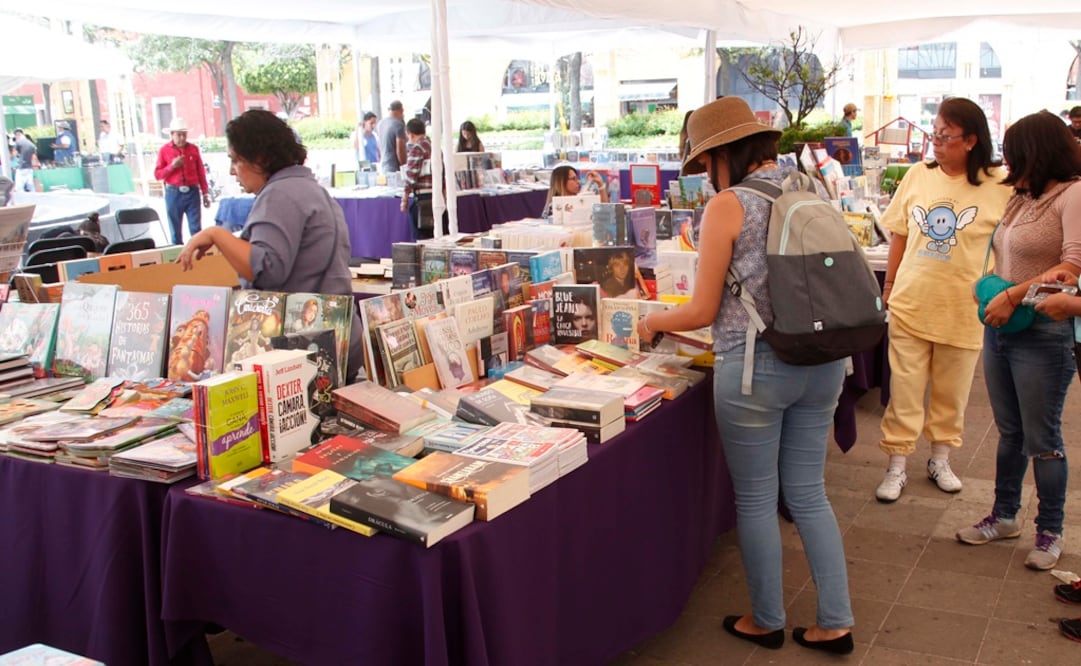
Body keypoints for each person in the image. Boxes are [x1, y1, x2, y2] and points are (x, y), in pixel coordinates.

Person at [636, 97, 853, 654]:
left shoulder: (730, 206)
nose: (705, 175)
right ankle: (835, 621)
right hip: (825, 358)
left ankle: (767, 619)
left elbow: (702, 311)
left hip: (757, 369)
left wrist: (652, 321)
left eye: (706, 163)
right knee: (808, 494)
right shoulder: (810, 187)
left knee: (756, 500)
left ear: (722, 154)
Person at [954, 110, 1081, 571]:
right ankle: (1004, 515)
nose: (1008, 163)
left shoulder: (1073, 195)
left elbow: (1070, 271)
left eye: (1014, 153)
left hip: (1043, 333)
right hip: (1002, 328)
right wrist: (989, 285)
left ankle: (1050, 529)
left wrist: (1011, 294)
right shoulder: (1023, 196)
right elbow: (1006, 254)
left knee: (1042, 436)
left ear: (1037, 152)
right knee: (1009, 432)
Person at [873, 97, 1012, 503]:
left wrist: (999, 292)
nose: (935, 142)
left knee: (953, 391)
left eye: (945, 136)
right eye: (933, 133)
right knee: (905, 388)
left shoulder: (998, 184)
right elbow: (899, 232)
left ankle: (940, 458)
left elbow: (1008, 245)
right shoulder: (919, 174)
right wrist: (890, 286)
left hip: (963, 307)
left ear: (970, 140)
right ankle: (896, 464)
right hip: (913, 299)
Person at [176, 109, 365, 382]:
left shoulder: (279, 194)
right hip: (339, 340)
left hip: (308, 351)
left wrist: (217, 234)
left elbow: (266, 268)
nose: (232, 171)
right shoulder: (309, 189)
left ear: (261, 158)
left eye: (236, 160)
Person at [154, 117, 210, 245]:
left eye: (184, 134)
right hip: (173, 192)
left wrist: (205, 193)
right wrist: (172, 166)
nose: (182, 138)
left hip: (192, 191)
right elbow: (158, 174)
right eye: (179, 135)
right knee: (175, 231)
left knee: (196, 229)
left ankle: (198, 257)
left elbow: (200, 172)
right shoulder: (164, 150)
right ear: (172, 135)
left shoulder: (193, 149)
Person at [400, 117, 433, 240]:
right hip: (436, 196)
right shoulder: (434, 146)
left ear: (410, 134)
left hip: (422, 199)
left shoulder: (417, 148)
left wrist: (404, 199)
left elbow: (411, 177)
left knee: (421, 239)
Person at [541, 164, 609, 218]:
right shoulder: (552, 207)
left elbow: (604, 210)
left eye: (577, 178)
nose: (578, 182)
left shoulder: (580, 200)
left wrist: (600, 183)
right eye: (573, 179)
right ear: (561, 182)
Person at [377, 100, 407, 175]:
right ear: (401, 110)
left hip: (384, 165)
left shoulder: (381, 123)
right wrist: (404, 166)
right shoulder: (398, 125)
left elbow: (379, 145)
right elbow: (400, 149)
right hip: (395, 167)